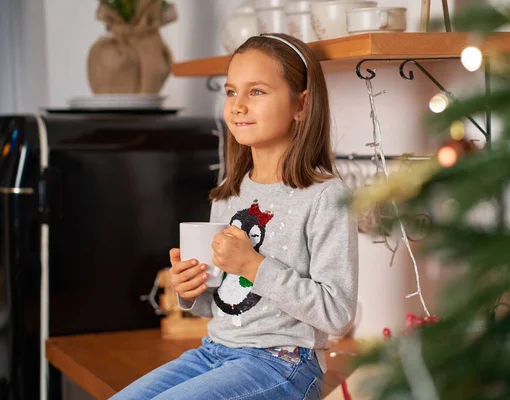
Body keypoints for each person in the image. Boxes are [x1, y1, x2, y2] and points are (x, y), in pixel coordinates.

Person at [111, 33, 358, 400]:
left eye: (256, 92)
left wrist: (254, 266)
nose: (238, 106)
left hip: (285, 363)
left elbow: (338, 313)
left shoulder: (324, 196)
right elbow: (223, 303)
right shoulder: (232, 189)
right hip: (215, 352)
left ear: (302, 105)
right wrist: (189, 291)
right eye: (231, 92)